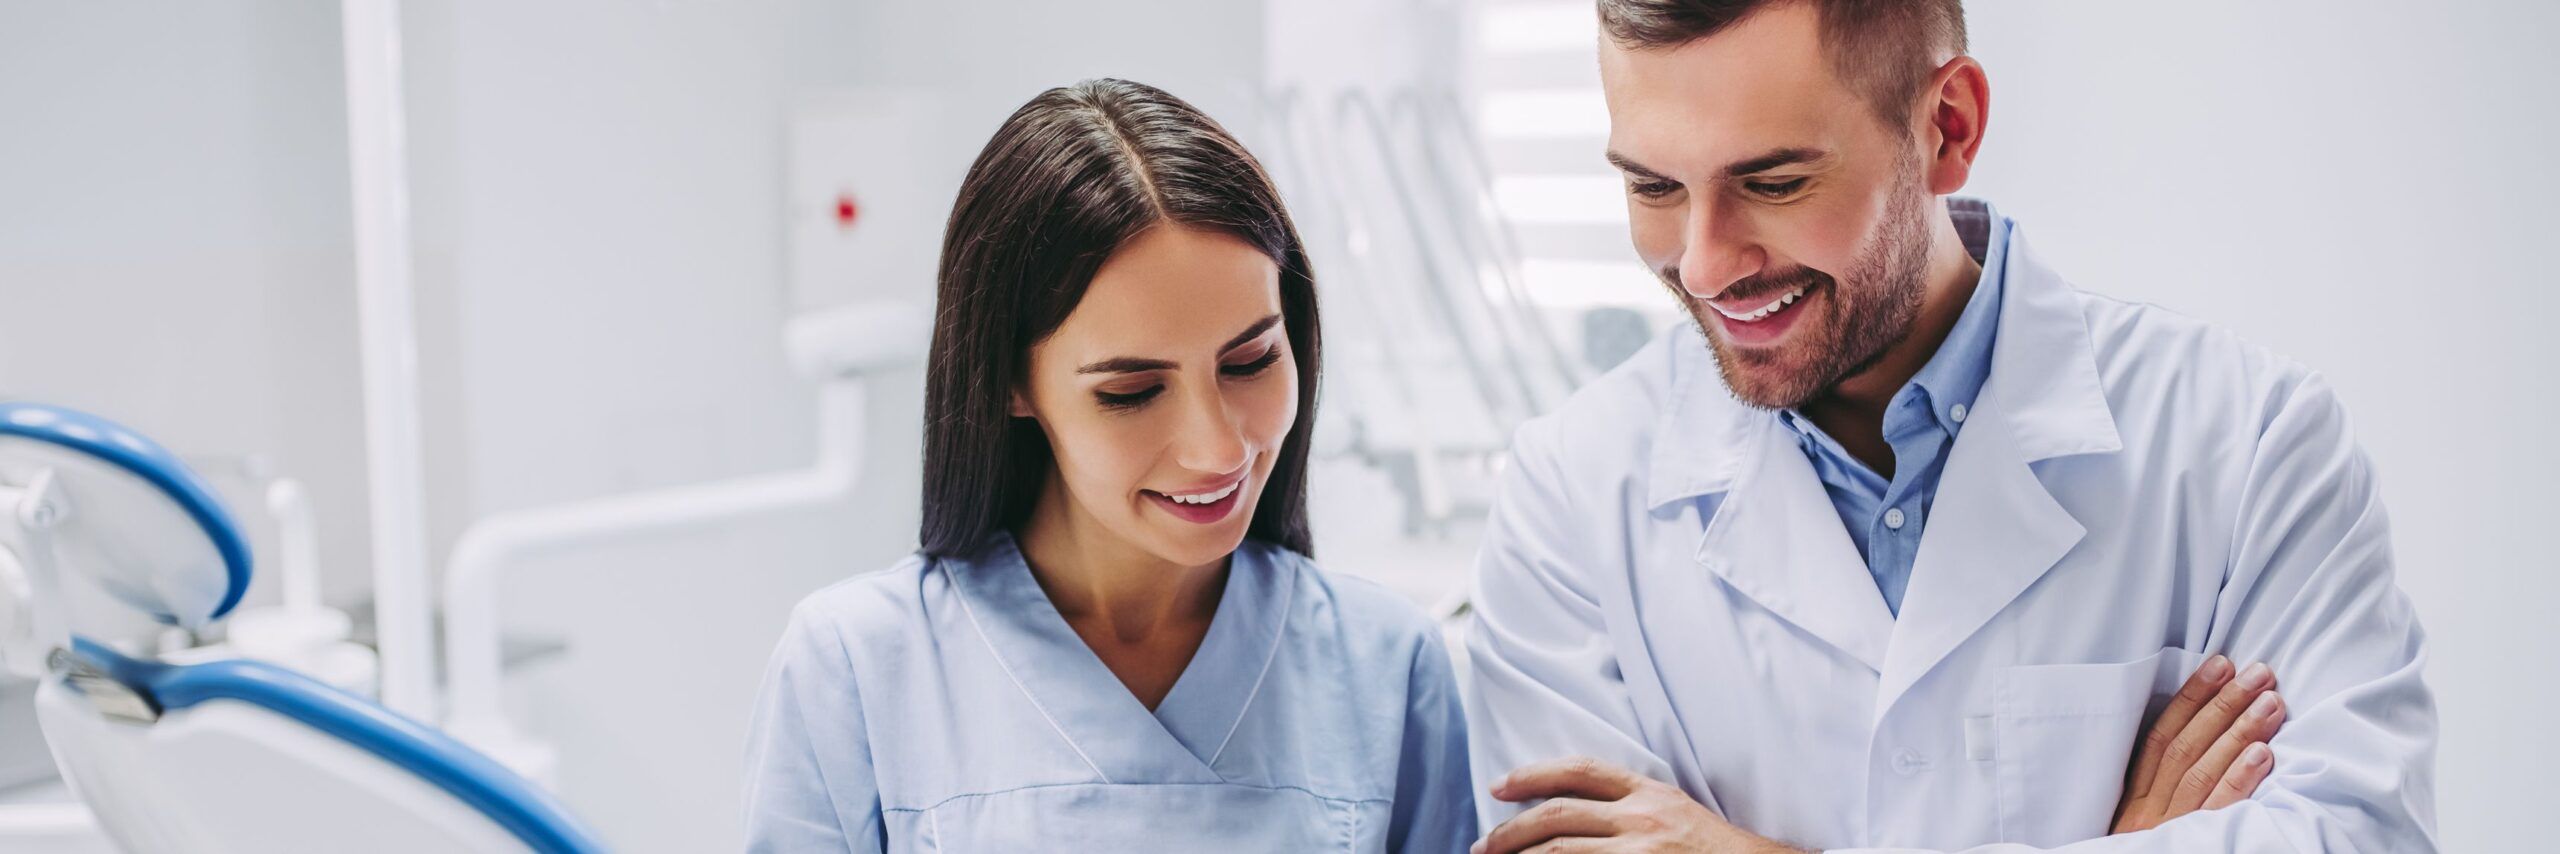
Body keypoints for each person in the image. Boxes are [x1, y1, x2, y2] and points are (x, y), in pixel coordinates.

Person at [1460, 1, 2439, 851]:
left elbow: (2363, 835)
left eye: (1773, 182)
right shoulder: (1567, 500)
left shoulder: (2252, 447)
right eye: (1653, 187)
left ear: (1947, 126)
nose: (1707, 265)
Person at [743, 78, 1475, 852]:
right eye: (1133, 391)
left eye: (1251, 361)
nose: (1218, 448)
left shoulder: (1388, 667)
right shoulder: (854, 668)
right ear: (1012, 384)